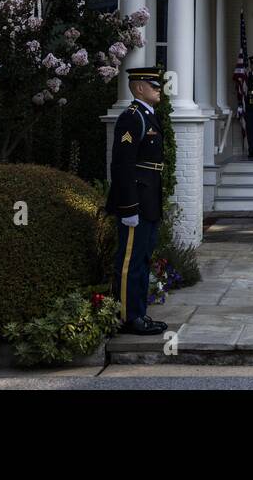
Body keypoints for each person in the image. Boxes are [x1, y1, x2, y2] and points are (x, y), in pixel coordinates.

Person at [105, 66, 169, 336]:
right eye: (153, 85)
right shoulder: (132, 118)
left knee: (142, 259)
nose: (159, 90)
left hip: (148, 199)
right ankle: (127, 317)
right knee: (130, 261)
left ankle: (139, 313)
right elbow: (122, 165)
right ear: (139, 87)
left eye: (158, 85)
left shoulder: (148, 116)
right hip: (136, 203)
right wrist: (128, 206)